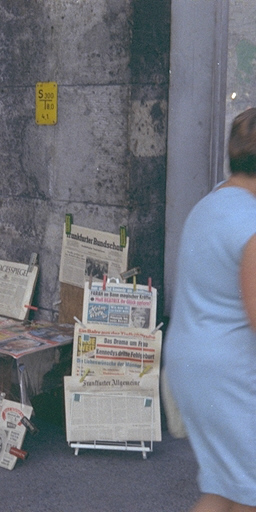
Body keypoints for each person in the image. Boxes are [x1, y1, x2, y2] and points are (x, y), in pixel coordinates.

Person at [165, 108, 256, 511]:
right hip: (230, 376)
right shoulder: (251, 223)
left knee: (225, 489)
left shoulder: (210, 204)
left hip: (192, 365)